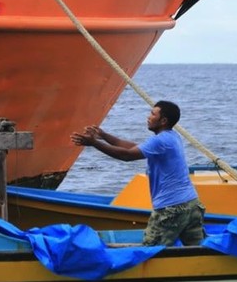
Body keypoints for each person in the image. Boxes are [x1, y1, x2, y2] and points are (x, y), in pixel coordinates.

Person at [71, 100, 206, 246]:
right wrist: (104, 136)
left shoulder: (161, 141)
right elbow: (134, 148)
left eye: (153, 114)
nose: (148, 117)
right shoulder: (172, 136)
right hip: (192, 204)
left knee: (151, 251)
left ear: (163, 121)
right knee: (196, 248)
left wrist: (94, 143)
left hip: (171, 208)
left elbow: (127, 155)